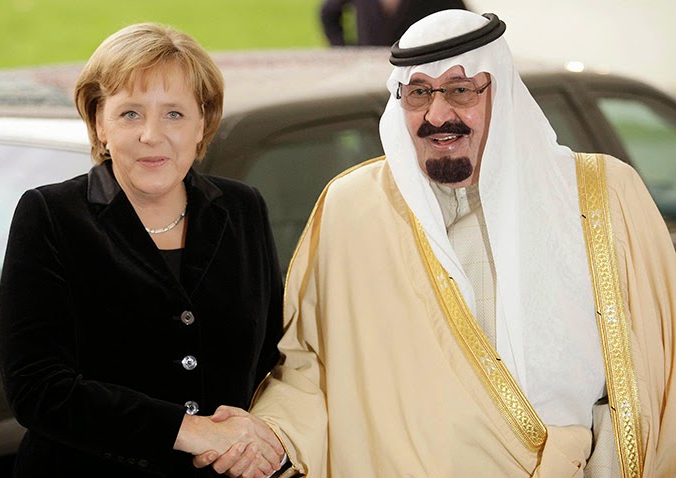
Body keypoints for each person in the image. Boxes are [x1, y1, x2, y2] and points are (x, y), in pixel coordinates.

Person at [198, 9, 676, 477]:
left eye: (460, 90)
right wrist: (272, 435)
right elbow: (313, 370)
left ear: (501, 92)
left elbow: (657, 370)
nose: (437, 114)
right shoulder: (353, 210)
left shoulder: (601, 196)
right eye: (419, 93)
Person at [0, 22, 285, 478]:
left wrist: (263, 437)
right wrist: (189, 430)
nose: (152, 134)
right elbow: (39, 388)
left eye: (174, 114)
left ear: (202, 123)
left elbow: (274, 358)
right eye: (130, 113)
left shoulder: (242, 208)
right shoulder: (50, 215)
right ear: (99, 122)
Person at [319, 0, 468, 47]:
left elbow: (463, 21)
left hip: (414, 68)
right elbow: (328, 13)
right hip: (369, 68)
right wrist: (345, 49)